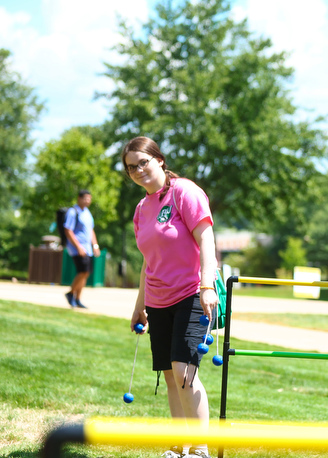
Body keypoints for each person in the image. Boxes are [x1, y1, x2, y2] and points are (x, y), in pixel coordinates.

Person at [121, 136, 219, 458]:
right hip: (157, 301)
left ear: (159, 160)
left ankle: (201, 449)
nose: (138, 170)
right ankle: (179, 447)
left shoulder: (184, 193)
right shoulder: (141, 209)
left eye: (143, 162)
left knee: (184, 372)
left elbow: (206, 239)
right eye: (131, 167)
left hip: (191, 293)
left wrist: (207, 285)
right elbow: (148, 261)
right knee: (169, 374)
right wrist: (140, 305)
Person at [64, 189, 100, 309]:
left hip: (88, 249)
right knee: (82, 271)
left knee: (86, 273)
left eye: (89, 198)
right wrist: (78, 247)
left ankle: (77, 299)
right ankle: (70, 294)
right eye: (85, 198)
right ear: (79, 198)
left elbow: (91, 230)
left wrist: (95, 245)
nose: (88, 201)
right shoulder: (73, 212)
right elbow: (68, 230)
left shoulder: (87, 213)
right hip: (78, 248)